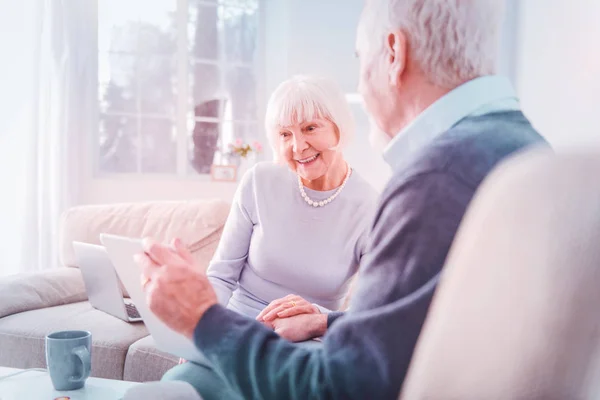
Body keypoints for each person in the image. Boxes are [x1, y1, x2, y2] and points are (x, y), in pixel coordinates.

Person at [136, 0, 549, 399]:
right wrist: (324, 320)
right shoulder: (528, 155)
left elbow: (341, 387)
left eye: (358, 58)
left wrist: (203, 319)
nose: (297, 146)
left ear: (393, 53)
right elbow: (404, 329)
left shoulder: (434, 181)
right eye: (284, 134)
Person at [146, 75, 378, 392]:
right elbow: (222, 274)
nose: (298, 146)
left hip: (306, 343)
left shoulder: (370, 208)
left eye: (311, 128)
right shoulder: (259, 181)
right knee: (177, 386)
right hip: (236, 330)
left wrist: (316, 319)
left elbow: (373, 316)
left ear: (339, 127)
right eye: (285, 134)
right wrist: (203, 332)